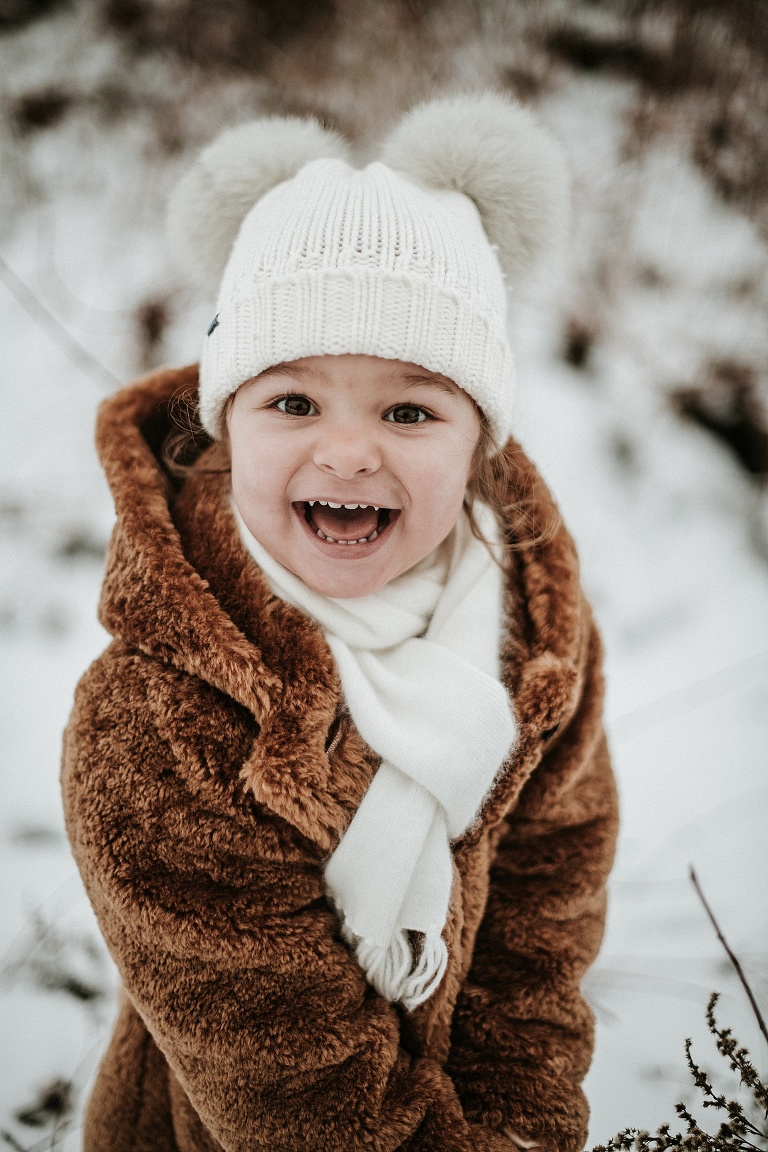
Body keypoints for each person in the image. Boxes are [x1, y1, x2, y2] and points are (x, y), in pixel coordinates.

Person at [62, 92, 618, 1152]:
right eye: (294, 403)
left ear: (477, 442)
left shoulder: (534, 638)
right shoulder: (160, 706)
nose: (350, 452)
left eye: (410, 410)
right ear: (227, 425)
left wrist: (523, 1123)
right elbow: (281, 1069)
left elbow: (548, 905)